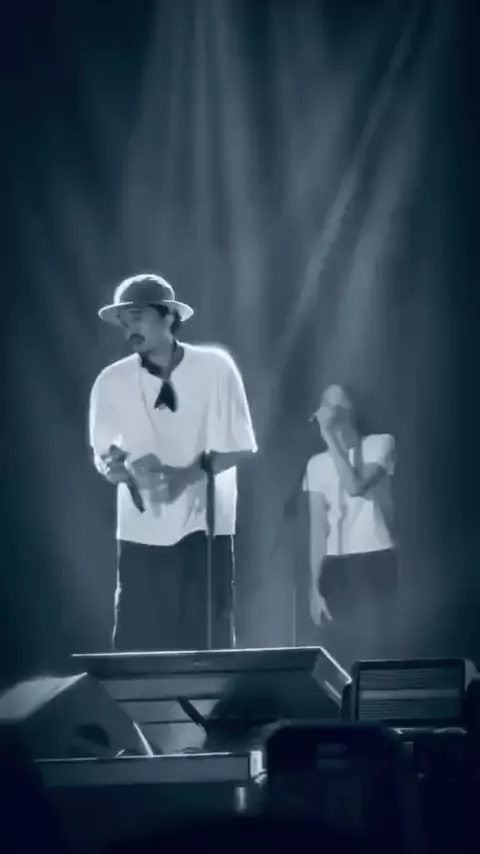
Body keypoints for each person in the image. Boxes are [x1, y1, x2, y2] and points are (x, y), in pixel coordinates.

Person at [89, 273, 257, 652]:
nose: (129, 330)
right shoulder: (111, 381)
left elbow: (242, 446)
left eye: (136, 317)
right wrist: (115, 469)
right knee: (137, 648)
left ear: (168, 315)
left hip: (206, 531)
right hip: (141, 532)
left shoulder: (216, 367)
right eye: (124, 323)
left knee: (207, 648)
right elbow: (104, 456)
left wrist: (186, 475)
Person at [302, 385, 397, 669]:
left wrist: (329, 436)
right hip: (336, 564)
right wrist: (314, 587)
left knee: (376, 647)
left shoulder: (380, 444)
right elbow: (317, 528)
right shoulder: (316, 464)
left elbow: (355, 486)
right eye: (326, 403)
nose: (331, 409)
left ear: (352, 409)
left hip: (375, 556)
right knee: (341, 652)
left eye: (338, 403)